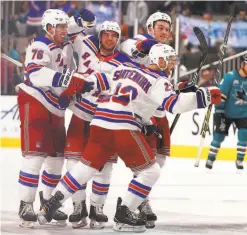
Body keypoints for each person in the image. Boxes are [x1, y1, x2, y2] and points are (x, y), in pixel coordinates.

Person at [37, 44, 222, 232]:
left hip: (100, 121)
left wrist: (81, 84)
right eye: (171, 60)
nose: (173, 64)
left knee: (85, 167)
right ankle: (125, 212)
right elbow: (174, 105)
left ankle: (50, 204)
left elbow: (99, 80)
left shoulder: (124, 68)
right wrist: (203, 96)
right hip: (122, 126)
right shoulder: (159, 80)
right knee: (151, 172)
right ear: (160, 60)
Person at [16, 9, 94, 228]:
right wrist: (68, 79)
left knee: (57, 159)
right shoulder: (40, 44)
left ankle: (47, 203)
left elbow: (77, 28)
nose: (64, 30)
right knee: (35, 156)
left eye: (64, 26)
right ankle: (25, 204)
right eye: (60, 27)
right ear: (49, 28)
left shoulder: (66, 43)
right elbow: (36, 75)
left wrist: (69, 93)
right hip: (35, 100)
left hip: (55, 107)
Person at [64, 20, 134, 229]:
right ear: (100, 35)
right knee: (73, 163)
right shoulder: (86, 44)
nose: (110, 38)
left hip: (105, 118)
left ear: (118, 39)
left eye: (114, 35)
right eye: (106, 34)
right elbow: (68, 32)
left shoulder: (123, 62)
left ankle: (98, 208)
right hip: (79, 113)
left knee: (105, 167)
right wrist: (77, 21)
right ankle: (78, 206)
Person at [120, 11, 172, 228]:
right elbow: (127, 46)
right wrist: (148, 45)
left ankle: (141, 200)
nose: (164, 32)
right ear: (150, 28)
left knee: (159, 162)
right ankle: (137, 204)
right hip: (143, 115)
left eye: (167, 29)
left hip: (160, 114)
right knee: (146, 166)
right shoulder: (140, 43)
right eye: (160, 28)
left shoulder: (166, 52)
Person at [205, 55, 247, 170]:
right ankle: (210, 159)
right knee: (218, 137)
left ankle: (239, 160)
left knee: (244, 134)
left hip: (243, 113)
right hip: (226, 112)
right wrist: (219, 110)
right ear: (242, 64)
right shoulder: (229, 77)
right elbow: (221, 95)